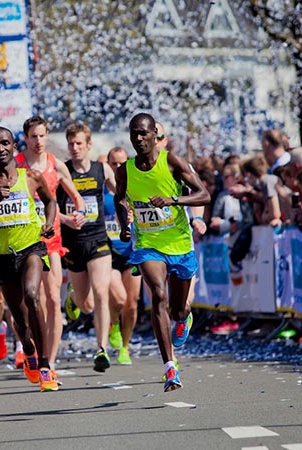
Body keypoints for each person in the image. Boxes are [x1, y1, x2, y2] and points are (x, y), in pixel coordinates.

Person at [114, 113, 210, 392]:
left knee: (178, 308)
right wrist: (125, 223)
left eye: (144, 133)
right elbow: (120, 198)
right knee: (157, 294)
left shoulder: (172, 162)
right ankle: (170, 367)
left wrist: (173, 200)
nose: (139, 138)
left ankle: (184, 317)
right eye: (134, 134)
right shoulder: (126, 170)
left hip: (179, 244)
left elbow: (204, 194)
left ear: (155, 135)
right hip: (147, 244)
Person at [0, 126, 60, 392]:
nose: (1, 149)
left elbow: (50, 202)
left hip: (31, 247)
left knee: (32, 295)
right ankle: (28, 350)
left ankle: (45, 366)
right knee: (19, 317)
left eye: (5, 143)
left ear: (14, 147)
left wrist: (49, 222)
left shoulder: (31, 176)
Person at [16, 116, 84, 370]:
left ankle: (49, 362)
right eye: (33, 136)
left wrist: (77, 215)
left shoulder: (56, 164)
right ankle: (32, 349)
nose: (38, 141)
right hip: (24, 241)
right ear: (25, 138)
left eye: (42, 136)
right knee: (33, 301)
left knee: (54, 299)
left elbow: (77, 198)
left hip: (51, 240)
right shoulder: (17, 165)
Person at [59, 123, 117, 372]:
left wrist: (130, 208)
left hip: (98, 240)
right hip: (73, 244)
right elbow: (50, 206)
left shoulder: (101, 169)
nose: (75, 148)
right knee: (86, 305)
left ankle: (101, 349)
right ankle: (73, 296)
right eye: (71, 143)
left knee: (102, 293)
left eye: (79, 143)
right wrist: (66, 219)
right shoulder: (62, 170)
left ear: (89, 145)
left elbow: (120, 193)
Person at [105, 146, 141, 365]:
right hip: (108, 253)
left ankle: (125, 347)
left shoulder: (135, 189)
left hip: (131, 252)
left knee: (132, 304)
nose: (118, 167)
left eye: (121, 163)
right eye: (113, 164)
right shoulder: (103, 193)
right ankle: (113, 324)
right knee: (118, 298)